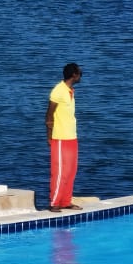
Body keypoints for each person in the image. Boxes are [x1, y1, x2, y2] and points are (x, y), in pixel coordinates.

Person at [45, 62, 83, 212]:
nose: (81, 76)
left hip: (71, 136)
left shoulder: (69, 90)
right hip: (60, 137)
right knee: (60, 171)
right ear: (74, 75)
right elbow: (49, 116)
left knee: (71, 170)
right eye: (80, 73)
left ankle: (66, 201)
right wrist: (49, 137)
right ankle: (54, 202)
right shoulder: (58, 91)